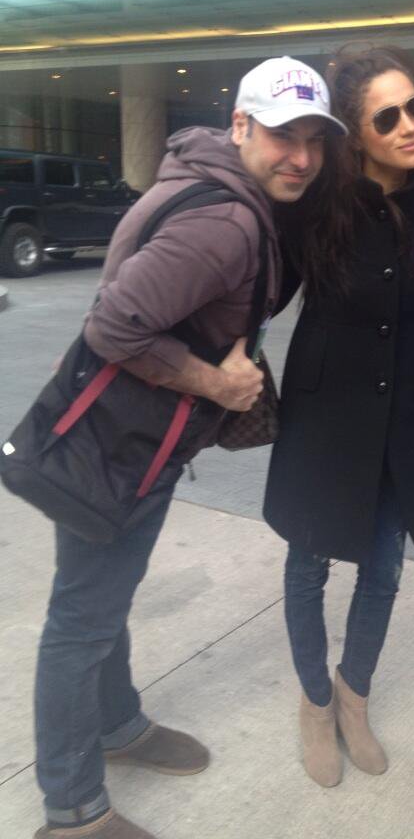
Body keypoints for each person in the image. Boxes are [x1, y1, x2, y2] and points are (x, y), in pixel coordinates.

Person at [33, 56, 346, 839]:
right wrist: (215, 383)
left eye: (313, 139)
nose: (300, 156)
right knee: (81, 620)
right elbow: (113, 326)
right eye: (281, 134)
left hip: (130, 441)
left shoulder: (209, 181)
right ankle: (72, 811)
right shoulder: (226, 221)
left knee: (100, 603)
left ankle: (118, 725)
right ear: (241, 126)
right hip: (116, 446)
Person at [263, 47, 414, 787]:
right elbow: (256, 288)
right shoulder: (316, 209)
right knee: (308, 568)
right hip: (322, 420)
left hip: (395, 423)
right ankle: (313, 702)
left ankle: (353, 696)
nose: (410, 125)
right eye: (388, 117)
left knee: (384, 570)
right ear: (357, 136)